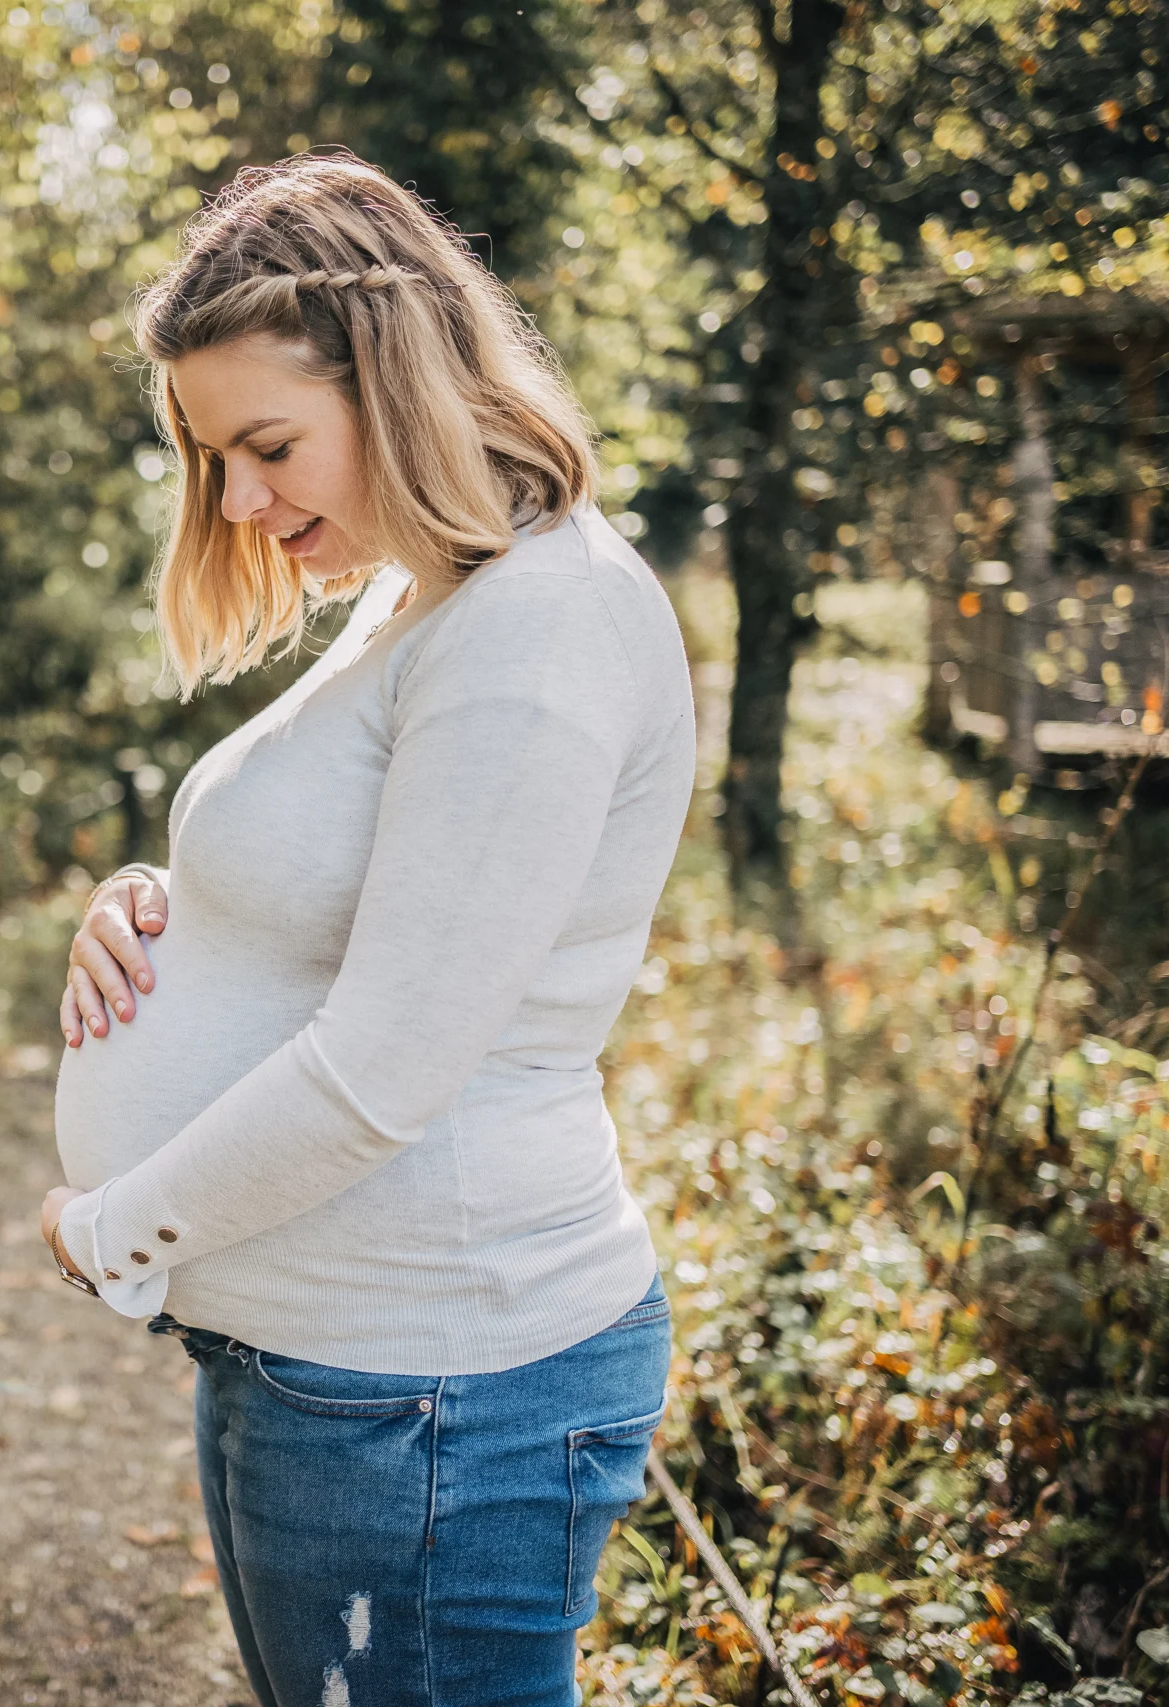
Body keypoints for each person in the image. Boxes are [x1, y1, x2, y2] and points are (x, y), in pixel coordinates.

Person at [36, 153, 697, 1707]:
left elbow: (385, 1068)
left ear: (396, 377)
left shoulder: (537, 628)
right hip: (334, 1370)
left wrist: (108, 1229)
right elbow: (363, 884)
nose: (244, 503)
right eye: (217, 460)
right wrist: (164, 908)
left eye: (269, 444)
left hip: (432, 1391)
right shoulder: (428, 595)